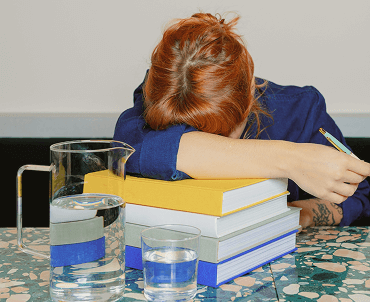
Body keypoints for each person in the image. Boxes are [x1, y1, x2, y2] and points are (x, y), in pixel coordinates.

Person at [114, 12, 370, 228]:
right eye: (192, 133)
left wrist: (304, 213)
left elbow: (358, 198)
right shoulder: (166, 95)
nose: (213, 144)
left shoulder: (300, 110)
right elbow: (133, 147)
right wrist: (290, 159)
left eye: (222, 133)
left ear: (251, 91)